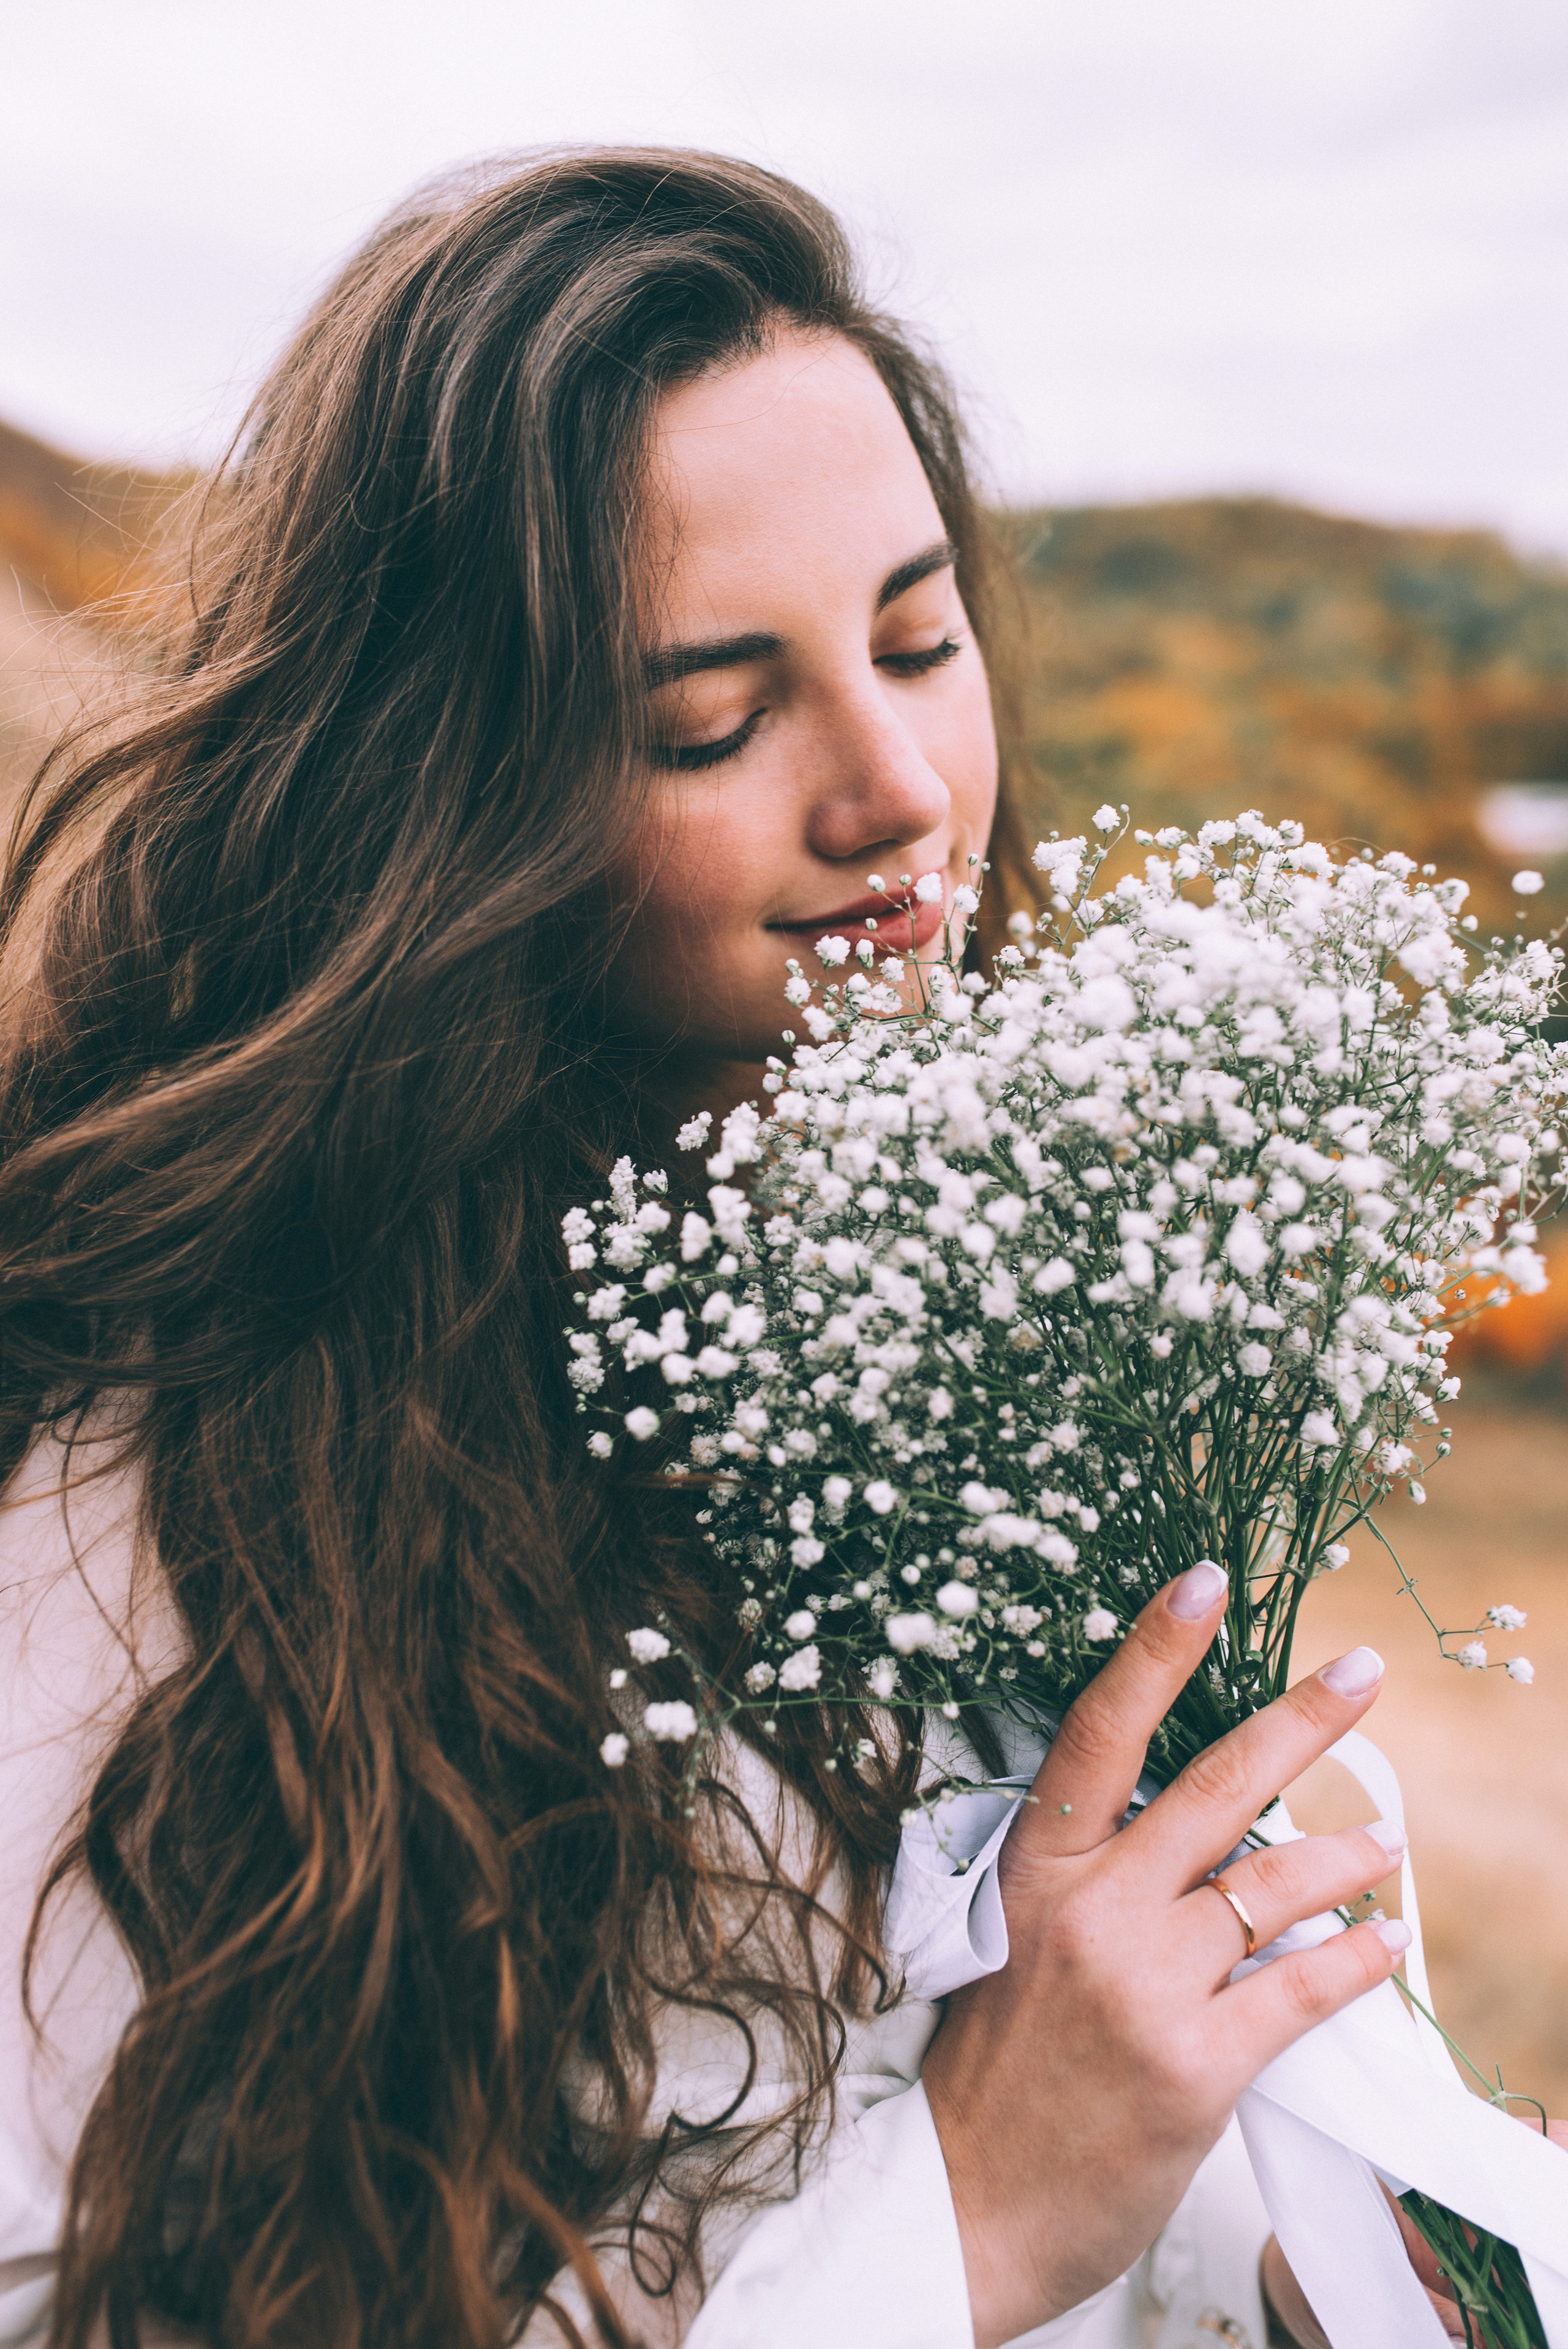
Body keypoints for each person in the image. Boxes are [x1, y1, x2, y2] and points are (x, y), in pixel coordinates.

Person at [0, 149, 1512, 2349]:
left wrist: (1303, 2256)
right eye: (710, 716)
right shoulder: (154, 1518)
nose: (898, 783)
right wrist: (965, 2230)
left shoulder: (1024, 1355)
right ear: (454, 799)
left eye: (921, 636)